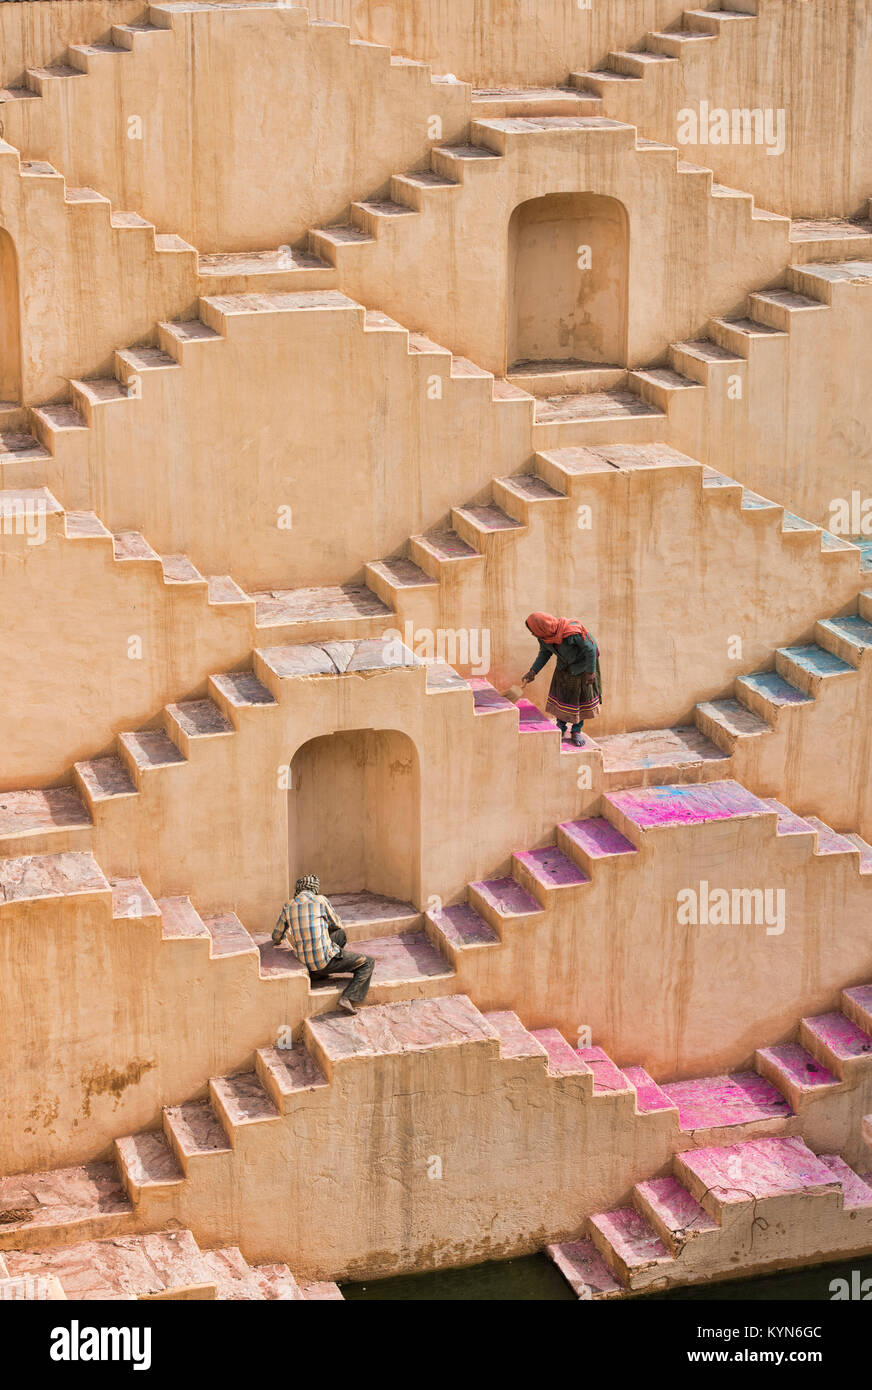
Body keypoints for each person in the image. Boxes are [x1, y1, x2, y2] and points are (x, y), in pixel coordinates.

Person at [272, 874, 374, 1014]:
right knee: (367, 963)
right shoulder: (320, 900)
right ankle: (348, 997)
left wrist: (291, 931)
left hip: (305, 962)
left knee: (340, 936)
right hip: (323, 960)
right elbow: (337, 924)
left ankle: (317, 974)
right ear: (314, 888)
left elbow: (276, 937)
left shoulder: (288, 905)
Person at [520, 611, 602, 745]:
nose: (533, 634)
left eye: (533, 631)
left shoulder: (572, 631)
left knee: (578, 700)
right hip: (564, 666)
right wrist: (533, 671)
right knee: (561, 697)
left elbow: (591, 649)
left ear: (542, 627)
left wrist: (590, 671)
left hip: (583, 668)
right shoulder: (544, 637)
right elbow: (544, 653)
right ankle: (561, 727)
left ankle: (576, 731)